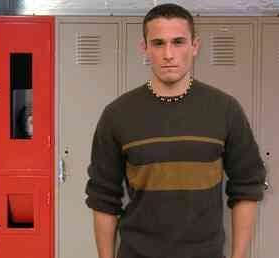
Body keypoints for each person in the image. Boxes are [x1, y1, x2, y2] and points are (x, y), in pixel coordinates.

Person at [85, 3, 266, 258]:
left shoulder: (225, 109)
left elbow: (247, 187)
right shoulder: (117, 115)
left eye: (178, 42)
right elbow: (103, 198)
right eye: (158, 43)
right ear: (145, 49)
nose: (168, 54)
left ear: (195, 46)